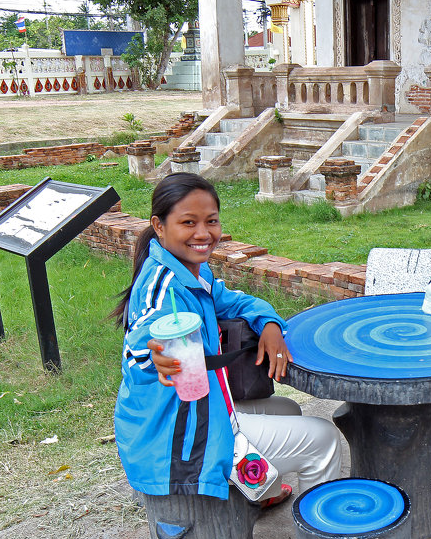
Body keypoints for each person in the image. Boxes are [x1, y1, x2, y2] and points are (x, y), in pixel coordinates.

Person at [112, 172, 342, 507]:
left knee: (288, 408)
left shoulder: (191, 269)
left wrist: (269, 325)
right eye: (188, 222)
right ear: (159, 226)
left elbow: (237, 300)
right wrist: (155, 357)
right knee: (324, 440)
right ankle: (326, 534)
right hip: (175, 437)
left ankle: (262, 489)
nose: (203, 233)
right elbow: (141, 344)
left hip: (200, 406)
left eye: (211, 221)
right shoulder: (163, 290)